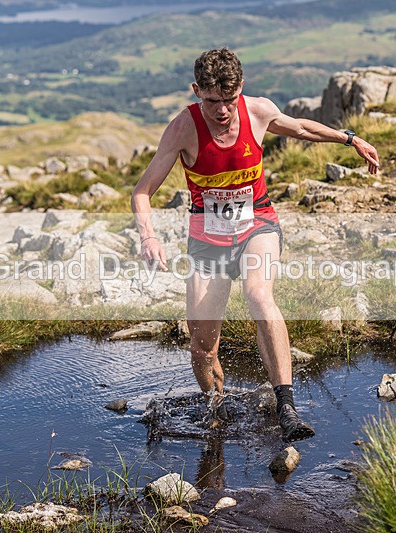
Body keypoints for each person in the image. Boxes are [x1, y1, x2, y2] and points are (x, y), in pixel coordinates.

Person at [131, 48, 379, 442]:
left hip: (257, 225)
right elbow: (142, 192)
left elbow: (300, 128)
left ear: (240, 89)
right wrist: (148, 236)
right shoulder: (183, 128)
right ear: (197, 91)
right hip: (207, 240)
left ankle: (287, 408)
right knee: (201, 346)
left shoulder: (258, 111)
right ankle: (216, 409)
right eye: (212, 101)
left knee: (259, 295)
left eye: (229, 100)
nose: (223, 111)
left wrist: (349, 139)